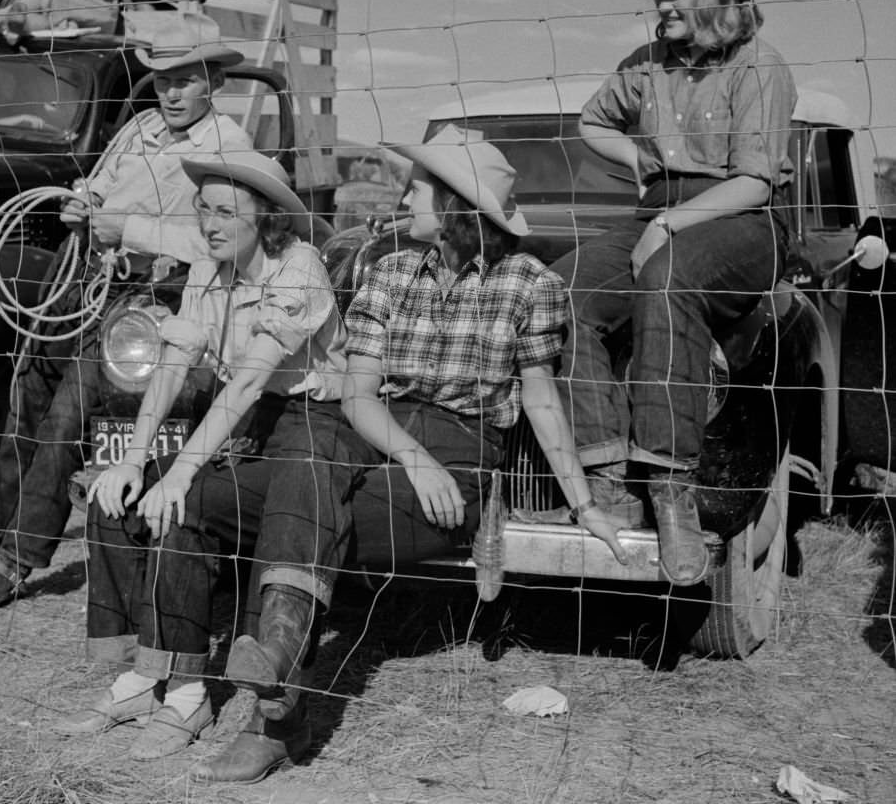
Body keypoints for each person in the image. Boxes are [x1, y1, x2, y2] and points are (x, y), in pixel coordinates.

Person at [184, 129, 629, 786]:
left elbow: (539, 400)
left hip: (461, 449)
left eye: (418, 185)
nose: (403, 192)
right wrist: (411, 456)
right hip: (374, 427)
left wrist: (583, 502)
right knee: (262, 468)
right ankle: (253, 672)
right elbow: (359, 396)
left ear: (453, 203)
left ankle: (273, 715)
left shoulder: (527, 283)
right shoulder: (388, 270)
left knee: (299, 497)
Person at [0, 14, 252, 615]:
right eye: (161, 79)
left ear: (213, 81)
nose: (170, 92)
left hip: (147, 303)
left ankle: (16, 561)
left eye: (185, 80)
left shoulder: (231, 148)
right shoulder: (141, 126)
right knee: (29, 395)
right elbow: (97, 187)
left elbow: (225, 240)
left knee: (68, 417)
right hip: (86, 281)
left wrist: (131, 228)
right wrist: (83, 207)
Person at [51, 151, 353, 764]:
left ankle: (189, 697)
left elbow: (246, 382)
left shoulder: (298, 268)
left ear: (265, 218)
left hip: (309, 425)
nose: (210, 224)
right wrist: (135, 458)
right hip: (243, 419)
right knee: (120, 495)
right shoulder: (208, 269)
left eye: (225, 212)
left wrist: (182, 470)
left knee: (182, 497)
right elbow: (174, 362)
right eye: (203, 210)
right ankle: (149, 677)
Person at [550, 0, 797, 586]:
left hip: (740, 219)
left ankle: (669, 490)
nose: (661, 3)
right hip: (656, 208)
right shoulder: (643, 63)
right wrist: (641, 165)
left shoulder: (759, 66)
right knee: (556, 290)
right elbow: (593, 121)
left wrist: (671, 220)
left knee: (666, 278)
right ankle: (604, 478)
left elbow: (753, 182)